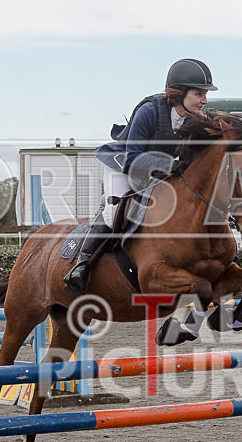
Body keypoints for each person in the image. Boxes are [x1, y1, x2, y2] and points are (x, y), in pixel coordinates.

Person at [63, 58, 217, 293]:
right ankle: (82, 266)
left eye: (205, 94)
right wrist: (170, 164)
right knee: (113, 213)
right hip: (123, 166)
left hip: (159, 173)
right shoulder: (149, 111)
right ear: (179, 93)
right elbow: (133, 158)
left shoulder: (196, 120)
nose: (204, 100)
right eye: (199, 94)